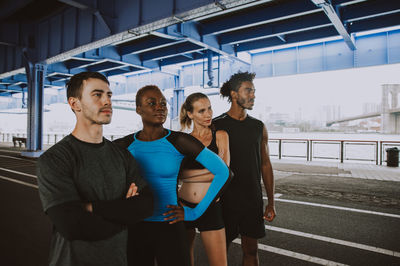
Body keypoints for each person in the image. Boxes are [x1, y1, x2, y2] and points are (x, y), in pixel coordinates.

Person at [37, 72, 154, 266]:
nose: (107, 101)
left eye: (109, 95)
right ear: (75, 104)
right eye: (97, 95)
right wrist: (126, 213)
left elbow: (147, 204)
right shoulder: (55, 158)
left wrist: (91, 207)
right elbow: (72, 225)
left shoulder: (122, 155)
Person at [114, 85, 232, 266]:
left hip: (170, 226)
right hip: (137, 226)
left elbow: (224, 172)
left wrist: (193, 213)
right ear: (139, 109)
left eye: (163, 103)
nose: (160, 107)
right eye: (151, 103)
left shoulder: (180, 141)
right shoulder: (124, 145)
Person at [213, 71, 276, 266]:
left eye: (254, 91)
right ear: (234, 94)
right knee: (221, 250)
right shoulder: (216, 125)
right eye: (248, 90)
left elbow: (265, 164)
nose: (253, 95)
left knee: (251, 249)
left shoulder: (258, 126)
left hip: (251, 198)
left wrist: (271, 202)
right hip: (225, 199)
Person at [178, 92, 230, 266]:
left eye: (209, 108)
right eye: (201, 111)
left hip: (211, 205)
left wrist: (189, 177)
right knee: (184, 261)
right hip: (183, 206)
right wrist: (212, 172)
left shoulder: (221, 136)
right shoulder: (182, 140)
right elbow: (177, 174)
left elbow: (225, 172)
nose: (208, 114)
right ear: (190, 114)